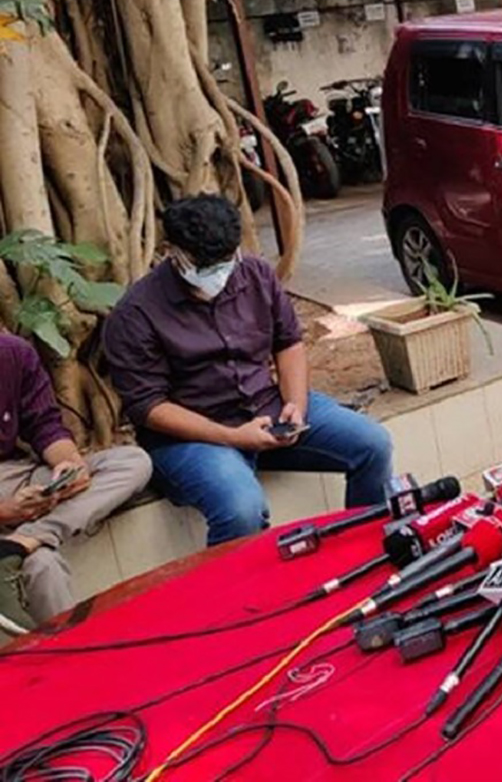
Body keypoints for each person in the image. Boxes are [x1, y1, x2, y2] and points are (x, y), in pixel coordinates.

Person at [104, 195, 393, 547]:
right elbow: (148, 406)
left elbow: (288, 343)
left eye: (226, 261)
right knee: (241, 508)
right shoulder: (135, 314)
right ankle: (241, 583)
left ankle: (367, 550)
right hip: (192, 438)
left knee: (372, 444)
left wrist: (295, 406)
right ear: (171, 252)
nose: (219, 274)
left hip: (268, 407)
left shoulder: (254, 273)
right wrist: (232, 436)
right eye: (205, 266)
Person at [0, 334, 152, 628]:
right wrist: (4, 511)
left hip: (16, 475)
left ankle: (26, 539)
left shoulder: (13, 353)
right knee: (43, 566)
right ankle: (73, 651)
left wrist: (69, 464)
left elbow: (45, 426)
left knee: (132, 462)